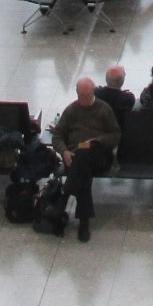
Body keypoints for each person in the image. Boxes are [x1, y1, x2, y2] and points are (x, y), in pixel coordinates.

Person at [50, 78, 121, 243]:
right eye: (81, 95)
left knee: (84, 156)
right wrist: (64, 151)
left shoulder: (104, 109)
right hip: (76, 159)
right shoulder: (71, 110)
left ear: (93, 92)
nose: (84, 98)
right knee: (83, 172)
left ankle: (65, 197)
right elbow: (58, 135)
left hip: (99, 155)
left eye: (87, 95)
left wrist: (97, 141)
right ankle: (84, 222)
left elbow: (115, 135)